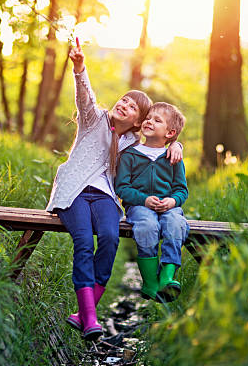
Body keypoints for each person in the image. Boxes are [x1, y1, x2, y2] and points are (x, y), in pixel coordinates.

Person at [46, 40, 183, 340]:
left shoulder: (133, 143)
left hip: (106, 197)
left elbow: (158, 143)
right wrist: (79, 67)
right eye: (124, 100)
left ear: (138, 121)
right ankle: (91, 318)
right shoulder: (94, 119)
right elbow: (85, 96)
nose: (124, 105)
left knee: (109, 238)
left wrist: (178, 145)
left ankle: (84, 313)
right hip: (76, 193)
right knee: (84, 241)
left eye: (133, 107)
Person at [114, 102, 189, 303]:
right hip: (139, 207)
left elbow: (182, 190)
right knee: (147, 225)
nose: (149, 121)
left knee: (175, 223)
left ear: (170, 133)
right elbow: (121, 187)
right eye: (148, 118)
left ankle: (167, 277)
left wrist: (173, 201)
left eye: (157, 120)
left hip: (169, 207)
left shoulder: (173, 156)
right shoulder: (130, 154)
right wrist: (143, 200)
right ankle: (149, 282)